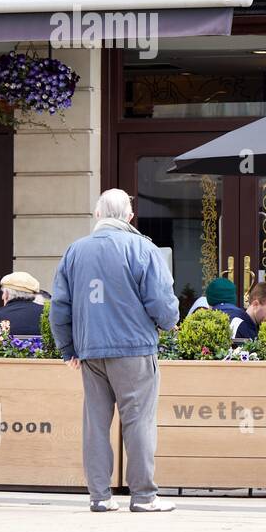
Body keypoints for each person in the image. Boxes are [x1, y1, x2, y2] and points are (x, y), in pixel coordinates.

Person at [50, 189, 179, 513]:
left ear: (97, 215)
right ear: (129, 216)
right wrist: (168, 324)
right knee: (138, 421)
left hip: (91, 349)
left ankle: (100, 496)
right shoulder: (143, 249)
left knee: (95, 422)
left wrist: (68, 348)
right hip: (134, 348)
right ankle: (144, 496)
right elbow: (162, 303)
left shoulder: (74, 252)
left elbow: (59, 307)